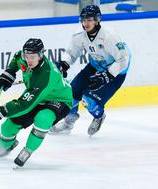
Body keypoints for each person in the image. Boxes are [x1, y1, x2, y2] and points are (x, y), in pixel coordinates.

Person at [0, 38, 73, 167]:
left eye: (33, 57)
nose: (29, 60)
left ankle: (28, 150)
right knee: (8, 127)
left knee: (43, 118)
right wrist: (9, 72)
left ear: (41, 55)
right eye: (27, 56)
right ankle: (4, 149)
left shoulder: (45, 75)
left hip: (59, 99)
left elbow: (25, 105)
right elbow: (16, 58)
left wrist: (1, 111)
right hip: (39, 96)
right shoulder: (23, 57)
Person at [50, 5, 131, 136]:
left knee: (89, 101)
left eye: (90, 20)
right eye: (83, 20)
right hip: (95, 66)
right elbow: (72, 53)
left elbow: (123, 59)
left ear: (97, 20)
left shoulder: (110, 36)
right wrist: (64, 63)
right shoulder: (79, 35)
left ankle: (99, 116)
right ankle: (68, 122)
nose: (86, 23)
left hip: (116, 72)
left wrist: (107, 76)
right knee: (69, 93)